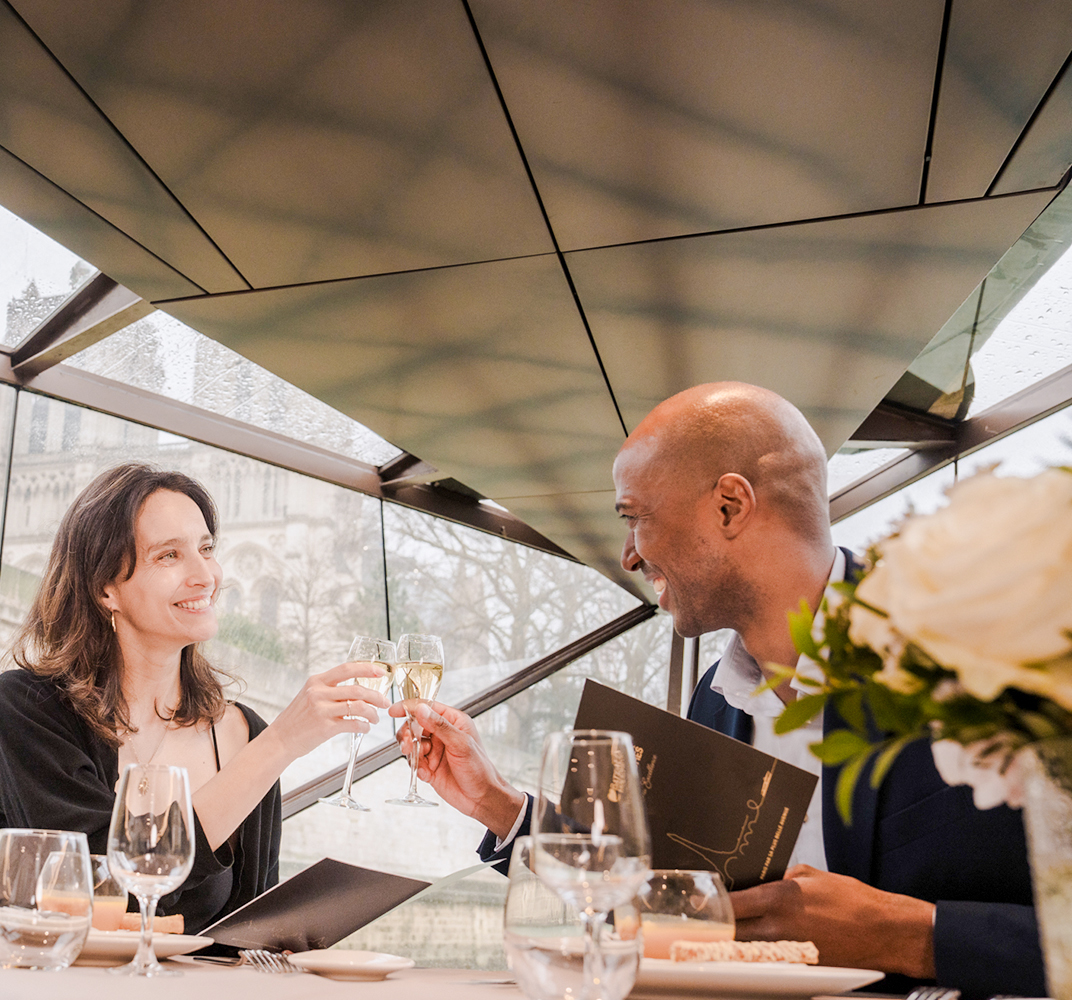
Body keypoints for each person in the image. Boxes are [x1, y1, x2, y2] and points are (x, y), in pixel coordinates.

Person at [392, 383, 1042, 997]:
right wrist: (500, 805)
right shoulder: (716, 698)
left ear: (730, 506)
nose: (628, 555)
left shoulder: (980, 651)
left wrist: (914, 938)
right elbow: (662, 899)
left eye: (635, 517)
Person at [0, 462, 389, 933]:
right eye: (169, 556)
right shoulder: (26, 707)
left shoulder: (242, 732)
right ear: (105, 588)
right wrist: (279, 746)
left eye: (206, 549)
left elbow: (250, 935)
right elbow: (102, 890)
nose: (206, 575)